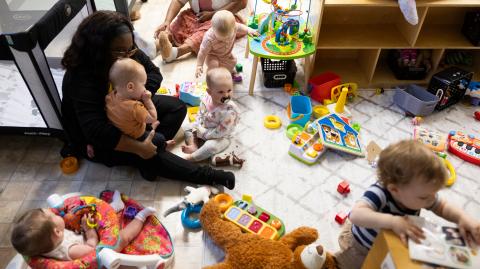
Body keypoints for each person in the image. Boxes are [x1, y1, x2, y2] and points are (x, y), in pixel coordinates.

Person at [61, 11, 235, 189]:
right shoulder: (81, 77)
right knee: (153, 147)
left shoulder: (126, 52)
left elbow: (153, 73)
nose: (129, 55)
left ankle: (149, 154)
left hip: (127, 110)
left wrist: (137, 98)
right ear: (98, 49)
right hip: (100, 136)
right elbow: (96, 130)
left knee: (177, 109)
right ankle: (210, 176)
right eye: (121, 52)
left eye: (131, 49)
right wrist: (138, 147)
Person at [335, 140, 480, 269]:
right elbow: (356, 215)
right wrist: (392, 222)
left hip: (389, 242)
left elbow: (442, 206)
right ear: (395, 189)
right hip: (360, 247)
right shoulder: (380, 192)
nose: (431, 200)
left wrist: (462, 218)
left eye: (433, 194)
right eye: (424, 197)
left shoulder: (421, 194)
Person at [11, 191, 155, 260]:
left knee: (94, 213)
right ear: (57, 232)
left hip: (81, 234)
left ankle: (116, 206)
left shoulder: (47, 241)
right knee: (123, 237)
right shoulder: (72, 250)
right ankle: (140, 217)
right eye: (53, 215)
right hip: (98, 248)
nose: (54, 212)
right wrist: (89, 229)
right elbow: (93, 249)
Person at [106, 58, 174, 151]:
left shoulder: (110, 97)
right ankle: (163, 145)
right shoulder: (135, 107)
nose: (145, 88)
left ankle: (151, 128)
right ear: (130, 87)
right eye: (143, 85)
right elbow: (153, 117)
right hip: (136, 136)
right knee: (160, 139)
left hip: (122, 131)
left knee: (141, 119)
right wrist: (147, 100)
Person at [145, 0, 247, 62]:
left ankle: (176, 52)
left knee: (210, 34)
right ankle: (156, 45)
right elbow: (178, 1)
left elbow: (241, 3)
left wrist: (212, 14)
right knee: (180, 22)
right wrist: (167, 21)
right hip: (195, 15)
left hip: (222, 17)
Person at [182, 67, 242, 167]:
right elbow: (200, 114)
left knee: (210, 147)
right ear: (209, 92)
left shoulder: (229, 112)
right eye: (221, 92)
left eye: (229, 90)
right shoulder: (206, 99)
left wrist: (204, 134)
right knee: (187, 127)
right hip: (204, 128)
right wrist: (197, 126)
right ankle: (194, 145)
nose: (226, 95)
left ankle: (192, 158)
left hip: (221, 136)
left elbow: (221, 131)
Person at [195, 10, 258, 81]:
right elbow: (202, 52)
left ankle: (229, 72)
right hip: (213, 55)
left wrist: (249, 30)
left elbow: (241, 27)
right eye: (221, 38)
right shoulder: (209, 39)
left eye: (228, 37)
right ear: (213, 29)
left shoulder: (234, 27)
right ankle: (211, 78)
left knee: (233, 61)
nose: (225, 40)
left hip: (226, 53)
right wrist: (199, 65)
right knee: (214, 65)